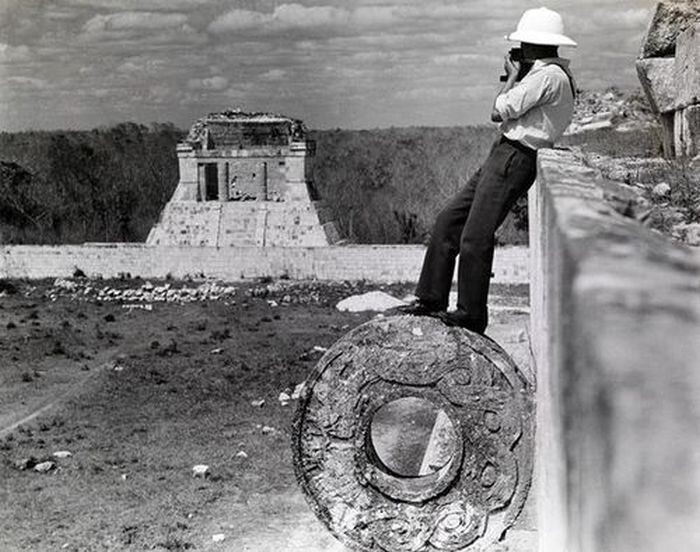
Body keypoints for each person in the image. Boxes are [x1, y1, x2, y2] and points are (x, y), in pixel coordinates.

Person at [399, 7, 577, 335]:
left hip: (515, 157)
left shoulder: (548, 76)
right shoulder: (547, 75)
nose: (521, 50)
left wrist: (511, 76)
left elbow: (498, 111)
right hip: (504, 154)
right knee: (448, 220)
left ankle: (470, 314)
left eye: (525, 45)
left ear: (536, 45)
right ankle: (431, 297)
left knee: (475, 236)